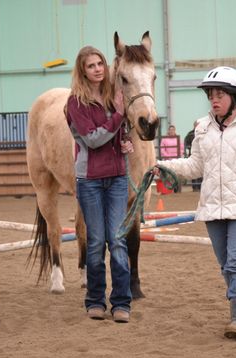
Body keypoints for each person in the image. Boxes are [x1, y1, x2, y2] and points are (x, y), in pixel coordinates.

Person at [156, 66, 236, 340]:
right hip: (213, 206)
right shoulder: (202, 128)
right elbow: (195, 166)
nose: (214, 100)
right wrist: (164, 166)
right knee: (226, 264)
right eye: (211, 95)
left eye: (220, 95)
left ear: (235, 97)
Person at [65, 45, 135, 323]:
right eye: (91, 65)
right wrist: (118, 116)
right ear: (82, 70)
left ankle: (121, 302)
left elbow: (118, 134)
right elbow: (92, 140)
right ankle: (95, 300)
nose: (97, 69)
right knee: (95, 242)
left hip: (117, 177)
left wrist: (125, 141)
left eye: (100, 64)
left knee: (117, 241)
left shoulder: (112, 97)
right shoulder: (75, 103)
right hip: (90, 180)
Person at [183, 120, 202, 190]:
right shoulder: (190, 134)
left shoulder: (203, 133)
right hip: (192, 155)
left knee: (201, 171)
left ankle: (200, 187)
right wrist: (188, 147)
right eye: (196, 125)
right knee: (193, 170)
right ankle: (194, 187)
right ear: (194, 126)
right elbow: (186, 143)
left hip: (202, 155)